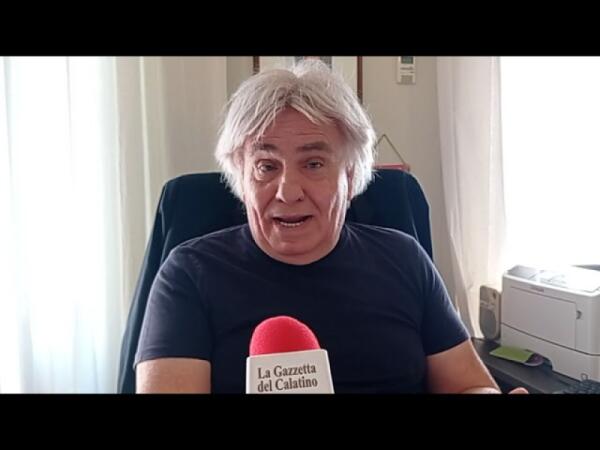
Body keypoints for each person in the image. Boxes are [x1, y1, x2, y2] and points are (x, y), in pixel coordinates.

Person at [134, 59, 527, 394]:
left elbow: (468, 384)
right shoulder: (188, 275)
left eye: (313, 164)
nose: (288, 191)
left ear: (351, 176)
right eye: (266, 166)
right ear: (240, 177)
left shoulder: (405, 258)